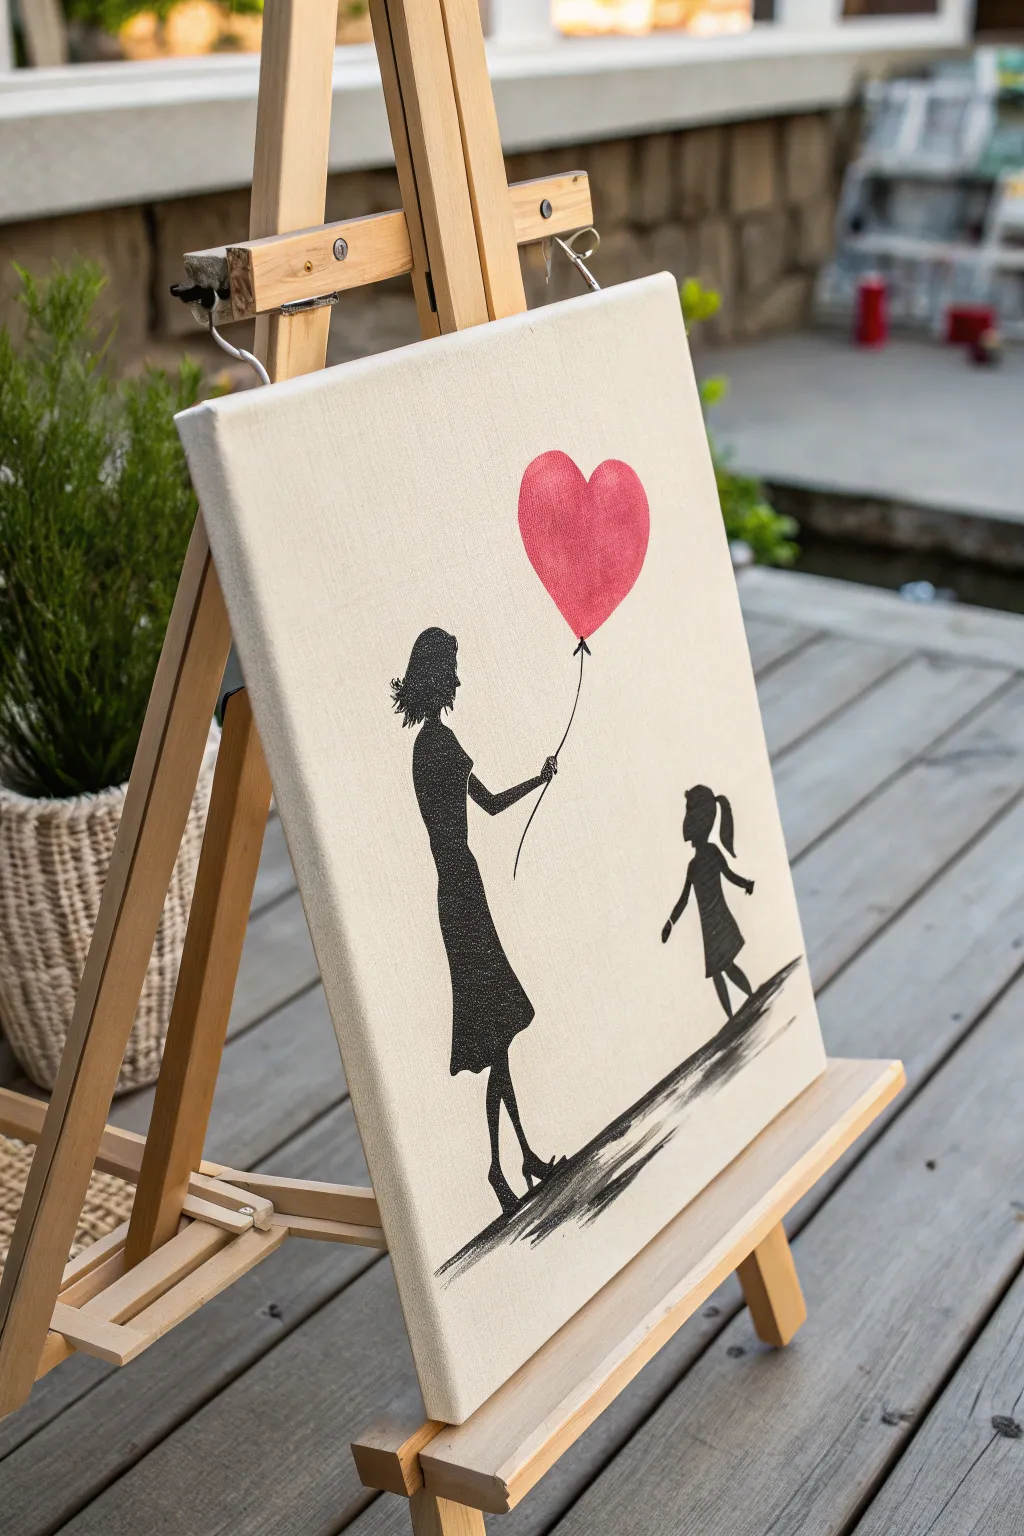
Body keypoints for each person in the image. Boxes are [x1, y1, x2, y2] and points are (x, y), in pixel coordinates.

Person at [392, 627, 558, 1216]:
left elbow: (476, 808)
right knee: (498, 1032)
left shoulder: (425, 747)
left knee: (501, 1037)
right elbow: (485, 806)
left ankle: (522, 1159)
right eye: (453, 669)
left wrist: (537, 781)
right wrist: (539, 779)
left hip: (456, 889)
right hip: (462, 889)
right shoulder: (437, 744)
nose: (459, 679)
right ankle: (499, 1166)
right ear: (438, 677)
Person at [661, 784, 755, 1018]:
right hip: (710, 925)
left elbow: (729, 875)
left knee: (726, 967)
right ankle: (733, 1017)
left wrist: (745, 883)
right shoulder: (694, 865)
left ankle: (751, 1001)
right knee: (718, 971)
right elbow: (684, 899)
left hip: (718, 920)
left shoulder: (711, 853)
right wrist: (670, 923)